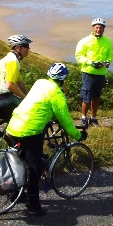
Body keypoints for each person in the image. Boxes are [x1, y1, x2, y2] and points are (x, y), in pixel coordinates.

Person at [6, 63, 86, 216]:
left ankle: (15, 193)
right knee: (34, 167)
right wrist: (78, 135)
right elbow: (65, 120)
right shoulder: (57, 94)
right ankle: (34, 204)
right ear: (63, 80)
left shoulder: (39, 83)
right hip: (30, 131)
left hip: (14, 125)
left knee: (18, 161)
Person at [75, 18, 113, 126]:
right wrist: (91, 62)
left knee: (96, 96)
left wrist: (108, 62)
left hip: (101, 73)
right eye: (97, 27)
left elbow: (110, 54)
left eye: (101, 28)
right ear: (93, 28)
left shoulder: (107, 41)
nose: (98, 29)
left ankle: (93, 118)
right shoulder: (84, 41)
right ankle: (83, 117)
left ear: (104, 29)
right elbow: (78, 56)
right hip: (88, 72)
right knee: (86, 96)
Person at [0, 34, 32, 121]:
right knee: (29, 109)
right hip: (1, 97)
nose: (29, 48)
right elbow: (10, 85)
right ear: (17, 48)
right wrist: (24, 98)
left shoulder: (10, 59)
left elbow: (19, 82)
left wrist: (28, 96)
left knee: (13, 118)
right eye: (26, 46)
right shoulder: (12, 61)